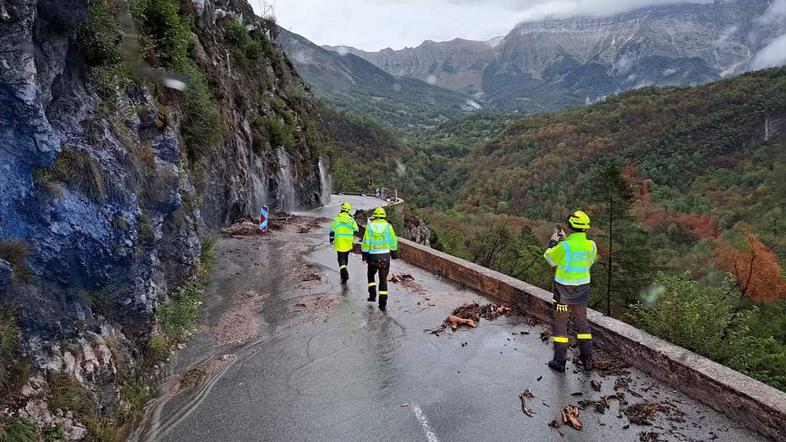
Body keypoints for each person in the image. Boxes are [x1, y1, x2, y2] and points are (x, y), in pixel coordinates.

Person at [543, 210, 598, 372]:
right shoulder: (591, 246)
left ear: (570, 226)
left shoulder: (564, 247)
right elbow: (587, 261)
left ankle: (560, 362)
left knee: (561, 325)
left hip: (563, 292)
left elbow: (550, 259)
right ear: (586, 228)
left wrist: (553, 243)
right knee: (582, 323)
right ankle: (587, 360)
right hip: (582, 290)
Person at [361, 207, 398, 311]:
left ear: (375, 216)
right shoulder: (388, 227)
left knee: (371, 275)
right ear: (384, 216)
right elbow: (393, 241)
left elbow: (366, 242)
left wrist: (364, 255)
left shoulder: (370, 226)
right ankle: (383, 304)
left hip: (373, 256)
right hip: (385, 256)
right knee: (383, 280)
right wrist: (394, 253)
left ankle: (372, 295)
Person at [329, 202, 359, 284]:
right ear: (349, 210)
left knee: (340, 257)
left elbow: (332, 231)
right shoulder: (351, 220)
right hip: (348, 241)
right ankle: (344, 269)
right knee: (345, 257)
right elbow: (356, 230)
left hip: (339, 241)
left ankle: (343, 271)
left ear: (341, 209)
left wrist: (331, 240)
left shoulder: (337, 219)